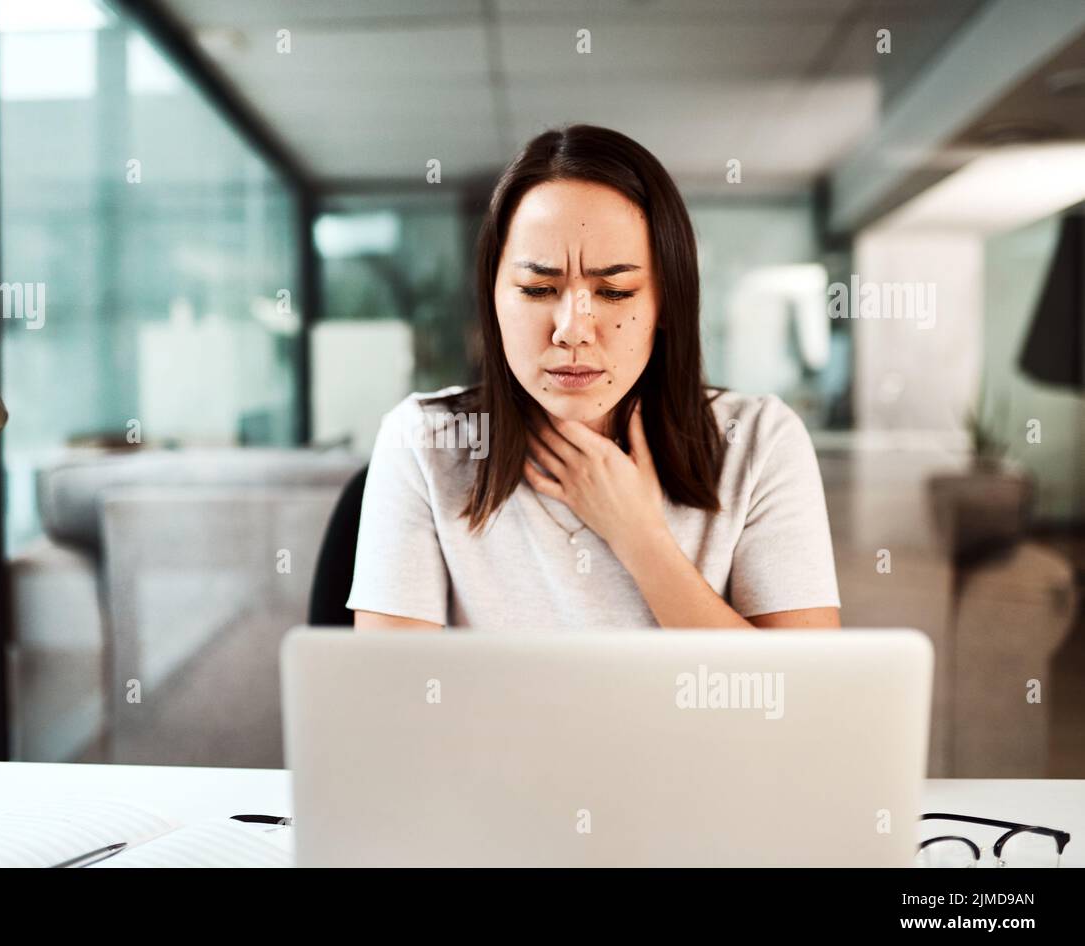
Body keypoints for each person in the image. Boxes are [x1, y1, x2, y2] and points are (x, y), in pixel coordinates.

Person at [347, 124, 841, 631]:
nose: (572, 331)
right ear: (493, 300)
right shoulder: (424, 443)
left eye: (615, 291)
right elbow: (393, 700)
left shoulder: (758, 442)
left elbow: (797, 700)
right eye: (538, 290)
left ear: (667, 302)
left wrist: (639, 539)